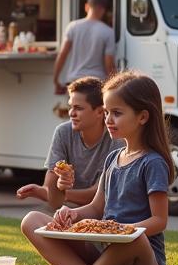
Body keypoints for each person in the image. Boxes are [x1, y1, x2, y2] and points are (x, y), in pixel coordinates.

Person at [24, 71, 174, 265]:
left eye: (117, 113)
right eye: (106, 112)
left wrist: (120, 230)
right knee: (32, 220)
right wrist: (73, 214)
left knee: (135, 238)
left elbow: (159, 220)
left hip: (142, 263)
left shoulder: (152, 162)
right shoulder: (114, 157)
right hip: (105, 249)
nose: (108, 120)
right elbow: (96, 207)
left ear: (142, 117)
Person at [17, 77, 119, 210]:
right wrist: (54, 189)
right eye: (70, 107)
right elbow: (50, 186)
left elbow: (98, 194)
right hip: (66, 209)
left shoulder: (115, 138)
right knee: (30, 220)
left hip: (103, 211)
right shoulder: (63, 132)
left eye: (78, 108)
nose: (71, 113)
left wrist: (55, 193)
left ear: (100, 112)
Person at [53, 0, 116, 94]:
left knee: (75, 109)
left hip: (75, 81)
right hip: (97, 82)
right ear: (103, 10)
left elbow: (62, 54)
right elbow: (109, 64)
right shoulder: (108, 32)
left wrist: (56, 80)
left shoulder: (73, 27)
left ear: (87, 7)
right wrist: (115, 85)